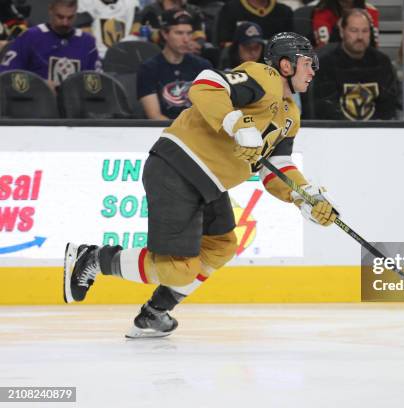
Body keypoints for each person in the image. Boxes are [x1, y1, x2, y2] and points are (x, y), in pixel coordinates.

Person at [63, 32, 338, 339]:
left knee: (220, 247)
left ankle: (155, 313)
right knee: (175, 268)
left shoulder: (291, 114)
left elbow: (278, 168)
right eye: (307, 63)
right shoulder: (264, 76)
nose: (313, 70)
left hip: (209, 184)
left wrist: (304, 197)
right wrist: (236, 124)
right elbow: (207, 84)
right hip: (178, 167)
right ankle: (92, 259)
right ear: (286, 65)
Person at [311, 8, 398, 120]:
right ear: (342, 32)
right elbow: (326, 109)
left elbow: (388, 107)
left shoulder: (382, 62)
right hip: (337, 132)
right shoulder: (325, 63)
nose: (360, 37)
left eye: (365, 31)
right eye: (354, 30)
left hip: (375, 132)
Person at [0, 0, 99, 88]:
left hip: (74, 104)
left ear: (76, 13)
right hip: (36, 102)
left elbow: (96, 84)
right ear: (51, 11)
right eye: (60, 17)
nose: (65, 23)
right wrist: (39, 84)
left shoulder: (87, 42)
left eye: (70, 17)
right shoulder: (30, 37)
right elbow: (6, 74)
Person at [137, 9, 212, 120]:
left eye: (189, 33)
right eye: (179, 33)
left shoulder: (203, 66)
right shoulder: (148, 69)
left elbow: (209, 108)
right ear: (164, 34)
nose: (186, 39)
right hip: (162, 131)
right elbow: (154, 115)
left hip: (196, 130)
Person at [215, 0, 293, 48]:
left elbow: (291, 42)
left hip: (275, 62)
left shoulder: (285, 11)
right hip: (240, 63)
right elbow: (224, 42)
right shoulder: (230, 9)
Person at [312, 0, 378, 48]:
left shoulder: (370, 12)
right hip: (333, 60)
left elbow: (374, 46)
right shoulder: (322, 12)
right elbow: (324, 48)